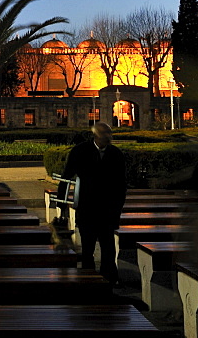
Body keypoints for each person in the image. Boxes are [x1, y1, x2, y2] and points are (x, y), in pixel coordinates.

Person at [62, 121, 126, 283]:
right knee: (87, 247)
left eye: (110, 133)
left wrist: (117, 208)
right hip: (87, 208)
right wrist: (62, 205)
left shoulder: (116, 153)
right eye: (105, 134)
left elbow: (121, 183)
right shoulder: (80, 151)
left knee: (108, 248)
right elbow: (66, 177)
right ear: (95, 135)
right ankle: (88, 279)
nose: (109, 137)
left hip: (108, 209)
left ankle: (109, 279)